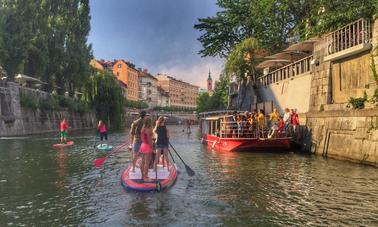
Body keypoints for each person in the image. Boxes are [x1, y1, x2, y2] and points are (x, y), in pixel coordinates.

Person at [140, 118, 154, 182]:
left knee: (142, 161)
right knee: (147, 162)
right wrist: (153, 148)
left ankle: (142, 176)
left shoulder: (143, 129)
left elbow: (142, 138)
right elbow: (149, 140)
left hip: (142, 145)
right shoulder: (148, 130)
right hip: (147, 146)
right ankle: (146, 178)